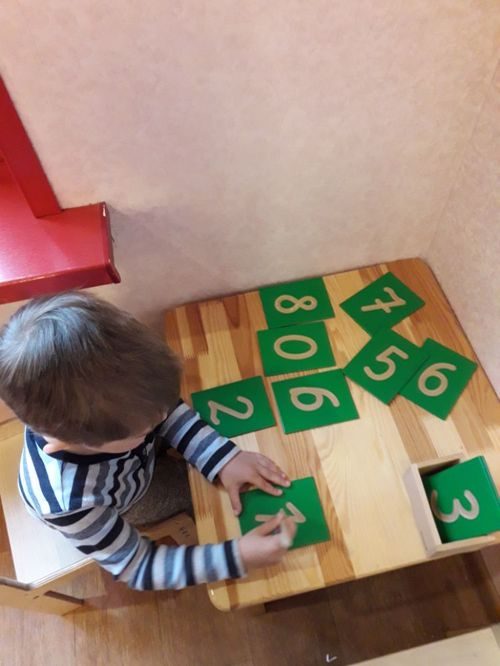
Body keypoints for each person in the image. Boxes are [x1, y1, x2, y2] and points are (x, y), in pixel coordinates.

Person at [0, 292, 296, 590]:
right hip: (127, 499)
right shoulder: (72, 504)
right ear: (70, 441)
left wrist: (222, 458)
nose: (163, 417)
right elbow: (139, 567)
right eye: (145, 428)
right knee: (196, 493)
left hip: (131, 458)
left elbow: (162, 413)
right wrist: (237, 557)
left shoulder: (106, 411)